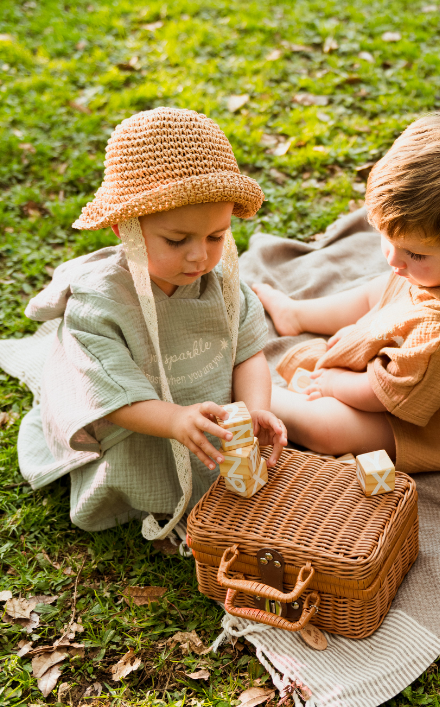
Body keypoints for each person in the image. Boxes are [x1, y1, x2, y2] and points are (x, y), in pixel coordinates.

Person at [18, 107, 287, 539]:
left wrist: (255, 408)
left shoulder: (219, 283)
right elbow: (114, 394)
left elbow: (247, 350)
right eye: (177, 240)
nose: (200, 256)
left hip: (207, 412)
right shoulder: (98, 304)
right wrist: (175, 421)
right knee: (146, 466)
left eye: (216, 236)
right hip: (142, 424)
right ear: (124, 229)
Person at [253, 112, 440, 473]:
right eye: (387, 240)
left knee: (328, 429)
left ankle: (260, 399)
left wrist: (336, 383)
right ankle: (298, 314)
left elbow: (388, 394)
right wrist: (415, 262)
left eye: (415, 253)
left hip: (432, 421)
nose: (393, 259)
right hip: (423, 364)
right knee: (384, 287)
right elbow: (399, 273)